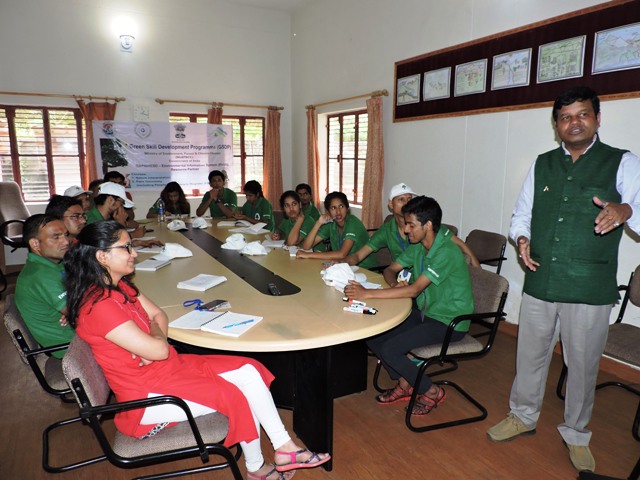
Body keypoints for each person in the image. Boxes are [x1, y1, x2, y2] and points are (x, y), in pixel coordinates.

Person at [64, 220, 330, 480]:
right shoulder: (99, 306)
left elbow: (159, 316)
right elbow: (159, 348)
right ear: (102, 256)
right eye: (126, 247)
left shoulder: (120, 285)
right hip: (146, 395)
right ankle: (256, 468)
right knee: (237, 393)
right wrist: (155, 343)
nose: (134, 253)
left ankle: (284, 448)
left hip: (168, 368)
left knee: (249, 369)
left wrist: (153, 339)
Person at [486, 86, 640, 473]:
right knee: (529, 356)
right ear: (556, 125)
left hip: (589, 286)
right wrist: (522, 238)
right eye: (565, 117)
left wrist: (625, 210)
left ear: (597, 119)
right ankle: (522, 416)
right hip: (541, 280)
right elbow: (521, 215)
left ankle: (576, 433)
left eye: (582, 114)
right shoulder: (542, 164)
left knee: (583, 365)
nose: (574, 122)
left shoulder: (622, 162)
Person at [344, 196, 473, 415]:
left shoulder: (446, 252)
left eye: (411, 225)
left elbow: (414, 290)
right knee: (372, 335)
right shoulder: (420, 246)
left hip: (450, 322)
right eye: (405, 224)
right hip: (426, 314)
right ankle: (406, 381)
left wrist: (368, 293)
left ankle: (431, 391)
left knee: (390, 348)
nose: (405, 230)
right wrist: (395, 284)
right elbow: (390, 269)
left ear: (428, 225)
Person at [342, 183, 480, 268]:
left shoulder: (426, 225)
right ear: (390, 204)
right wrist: (341, 264)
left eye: (409, 199)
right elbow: (359, 255)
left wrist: (477, 270)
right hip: (401, 279)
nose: (406, 203)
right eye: (401, 199)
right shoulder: (387, 229)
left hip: (426, 279)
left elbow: (461, 245)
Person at [14, 214, 73, 358]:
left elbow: (83, 292)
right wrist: (74, 310)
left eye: (66, 235)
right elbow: (84, 312)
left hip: (77, 332)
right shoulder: (40, 275)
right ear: (35, 244)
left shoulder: (54, 263)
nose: (66, 241)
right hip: (72, 347)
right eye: (56, 237)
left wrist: (73, 308)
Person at [297, 191, 376, 269]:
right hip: (343, 266)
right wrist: (318, 223)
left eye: (341, 206)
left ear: (347, 208)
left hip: (364, 268)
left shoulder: (353, 222)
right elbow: (306, 246)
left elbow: (342, 254)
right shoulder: (331, 223)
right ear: (328, 211)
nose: (338, 212)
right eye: (333, 208)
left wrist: (308, 255)